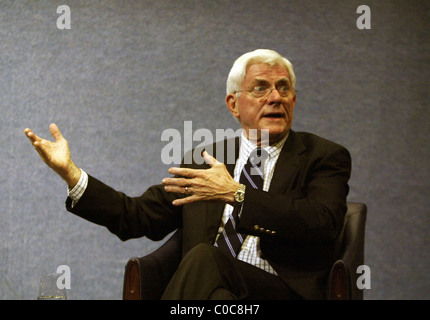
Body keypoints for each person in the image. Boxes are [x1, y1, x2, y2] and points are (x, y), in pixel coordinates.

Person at [24, 49, 351, 300]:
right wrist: (71, 174)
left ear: (294, 99)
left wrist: (236, 194)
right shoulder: (207, 160)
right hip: (214, 293)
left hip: (283, 289)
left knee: (206, 258)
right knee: (218, 296)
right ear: (233, 104)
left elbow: (322, 223)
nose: (275, 98)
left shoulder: (323, 156)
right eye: (261, 88)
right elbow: (136, 216)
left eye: (283, 88)